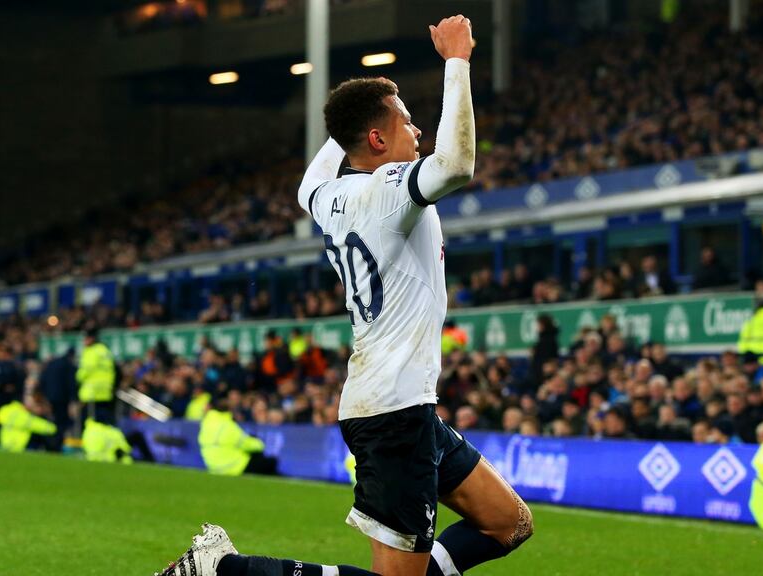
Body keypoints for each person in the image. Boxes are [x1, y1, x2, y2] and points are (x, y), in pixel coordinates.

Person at [156, 16, 532, 576]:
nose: (417, 132)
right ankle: (222, 569)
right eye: (406, 123)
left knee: (507, 522)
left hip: (401, 404)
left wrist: (361, 107)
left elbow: (332, 154)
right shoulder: (386, 190)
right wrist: (457, 60)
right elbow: (457, 165)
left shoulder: (323, 194)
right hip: (393, 410)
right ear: (377, 140)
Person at [198, 392, 277, 476]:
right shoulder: (228, 425)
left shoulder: (206, 423)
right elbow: (247, 444)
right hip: (234, 467)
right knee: (271, 461)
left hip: (213, 467)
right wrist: (260, 443)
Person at [76, 326, 117, 425]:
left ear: (91, 338)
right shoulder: (105, 350)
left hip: (92, 393)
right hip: (105, 392)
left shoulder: (91, 351)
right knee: (104, 422)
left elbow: (85, 370)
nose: (84, 341)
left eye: (85, 338)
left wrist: (77, 377)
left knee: (89, 423)